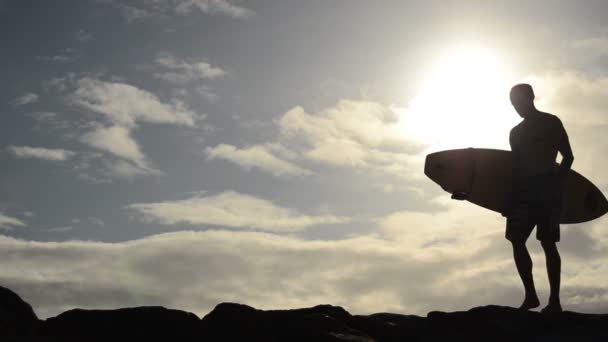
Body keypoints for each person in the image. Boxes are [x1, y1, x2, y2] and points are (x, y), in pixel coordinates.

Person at [504, 83, 574, 313]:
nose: (515, 106)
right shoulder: (515, 132)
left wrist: (557, 185)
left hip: (547, 187)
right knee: (516, 239)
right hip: (523, 190)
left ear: (530, 97)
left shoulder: (550, 122)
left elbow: (568, 156)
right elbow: (514, 167)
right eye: (512, 103)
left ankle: (554, 301)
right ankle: (531, 296)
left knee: (547, 242)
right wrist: (507, 199)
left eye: (518, 101)